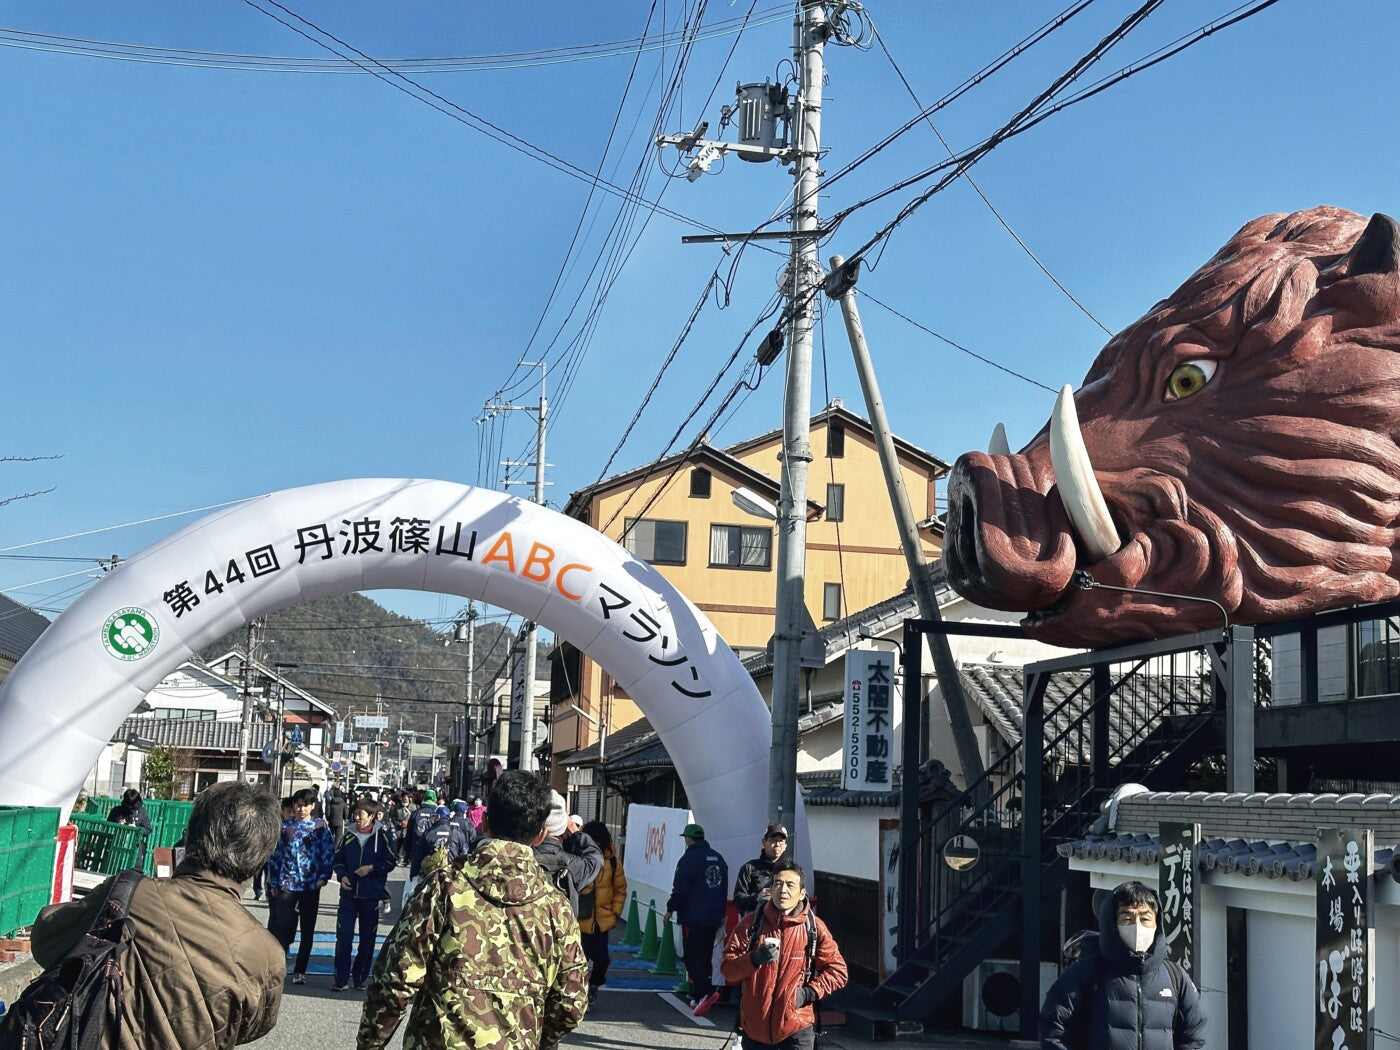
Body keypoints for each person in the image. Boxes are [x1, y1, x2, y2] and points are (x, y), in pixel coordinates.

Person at [30, 781, 285, 1048]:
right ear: (261, 859)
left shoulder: (127, 895)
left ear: (189, 838)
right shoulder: (267, 955)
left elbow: (45, 940)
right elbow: (250, 1028)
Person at [356, 770, 588, 1050]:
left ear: (485, 822)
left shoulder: (444, 887)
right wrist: (534, 1036)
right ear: (541, 835)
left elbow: (394, 980)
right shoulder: (556, 907)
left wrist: (371, 1044)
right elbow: (571, 1003)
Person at [1039, 880, 1206, 1050]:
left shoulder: (1175, 976)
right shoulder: (1084, 973)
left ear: (1157, 924)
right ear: (1112, 923)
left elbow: (1193, 1036)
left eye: (1145, 918)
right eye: (1127, 918)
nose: (1137, 926)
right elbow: (1054, 1030)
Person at [721, 860, 848, 1050]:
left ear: (802, 893)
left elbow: (838, 972)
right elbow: (728, 969)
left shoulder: (814, 927)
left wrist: (807, 993)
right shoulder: (751, 924)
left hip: (797, 1028)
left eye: (790, 885)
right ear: (770, 889)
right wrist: (754, 959)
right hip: (755, 1028)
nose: (783, 890)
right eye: (778, 884)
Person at [266, 787, 335, 985]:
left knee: (307, 928)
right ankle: (277, 967)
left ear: (312, 806)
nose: (301, 809)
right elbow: (275, 855)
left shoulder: (320, 826)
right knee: (282, 927)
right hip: (287, 882)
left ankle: (300, 970)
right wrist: (273, 881)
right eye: (298, 805)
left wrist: (324, 875)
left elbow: (327, 852)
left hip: (310, 884)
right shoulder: (285, 827)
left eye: (305, 805)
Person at [332, 798, 398, 992]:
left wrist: (371, 868)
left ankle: (360, 978)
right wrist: (342, 875)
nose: (357, 818)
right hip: (349, 895)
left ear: (371, 816)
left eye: (361, 815)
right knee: (343, 936)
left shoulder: (382, 836)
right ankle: (340, 979)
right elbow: (338, 859)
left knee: (367, 939)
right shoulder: (348, 834)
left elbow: (391, 861)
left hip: (371, 896)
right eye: (355, 814)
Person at [663, 822, 728, 1017]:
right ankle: (700, 995)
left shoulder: (689, 858)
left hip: (694, 916)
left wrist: (670, 909)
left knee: (692, 956)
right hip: (714, 917)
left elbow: (680, 888)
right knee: (706, 955)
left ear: (689, 839)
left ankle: (705, 992)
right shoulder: (718, 858)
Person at [577, 820, 626, 1004]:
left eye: (597, 841)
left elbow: (620, 889)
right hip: (580, 918)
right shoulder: (577, 856)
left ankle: (594, 986)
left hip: (602, 919)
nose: (594, 844)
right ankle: (580, 996)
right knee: (579, 961)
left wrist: (615, 912)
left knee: (602, 960)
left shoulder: (613, 861)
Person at [532, 790, 603, 913]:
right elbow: (595, 859)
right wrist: (576, 832)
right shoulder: (572, 865)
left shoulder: (515, 857)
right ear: (563, 827)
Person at [733, 823, 789, 917]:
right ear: (764, 842)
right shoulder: (749, 868)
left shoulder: (791, 871)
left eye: (781, 841)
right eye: (772, 840)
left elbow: (800, 897)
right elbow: (738, 900)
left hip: (782, 924)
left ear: (785, 845)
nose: (777, 845)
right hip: (755, 924)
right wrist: (757, 897)